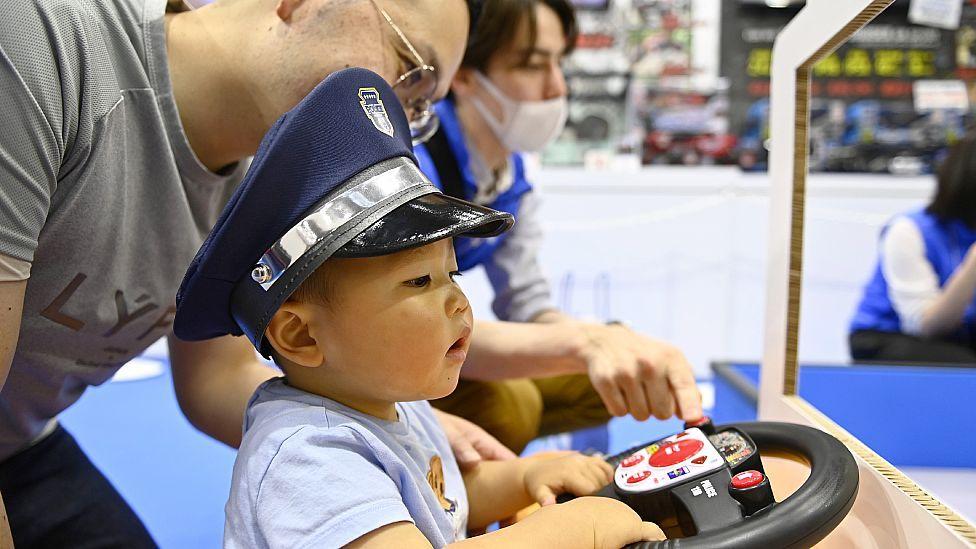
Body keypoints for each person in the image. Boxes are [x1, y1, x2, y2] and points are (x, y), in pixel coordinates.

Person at [0, 0, 490, 545]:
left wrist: (386, 432)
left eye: (421, 108)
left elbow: (217, 376)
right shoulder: (38, 46)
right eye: (409, 70)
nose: (398, 120)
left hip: (21, 444)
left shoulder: (273, 189)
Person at [174, 67, 665, 549]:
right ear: (302, 336)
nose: (457, 299)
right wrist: (581, 530)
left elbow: (440, 501)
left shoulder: (393, 402)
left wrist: (523, 475)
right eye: (419, 280)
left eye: (451, 273)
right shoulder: (307, 454)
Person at [415, 0, 703, 452]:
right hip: (392, 357)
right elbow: (418, 330)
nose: (555, 87)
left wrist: (607, 343)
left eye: (558, 62)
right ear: (464, 74)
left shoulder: (512, 176)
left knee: (605, 380)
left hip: (436, 340)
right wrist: (583, 341)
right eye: (532, 64)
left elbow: (527, 302)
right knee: (511, 406)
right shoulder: (415, 163)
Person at [850, 134, 976, 364]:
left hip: (961, 335)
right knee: (963, 363)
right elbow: (927, 325)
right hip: (889, 337)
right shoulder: (909, 230)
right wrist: (972, 267)